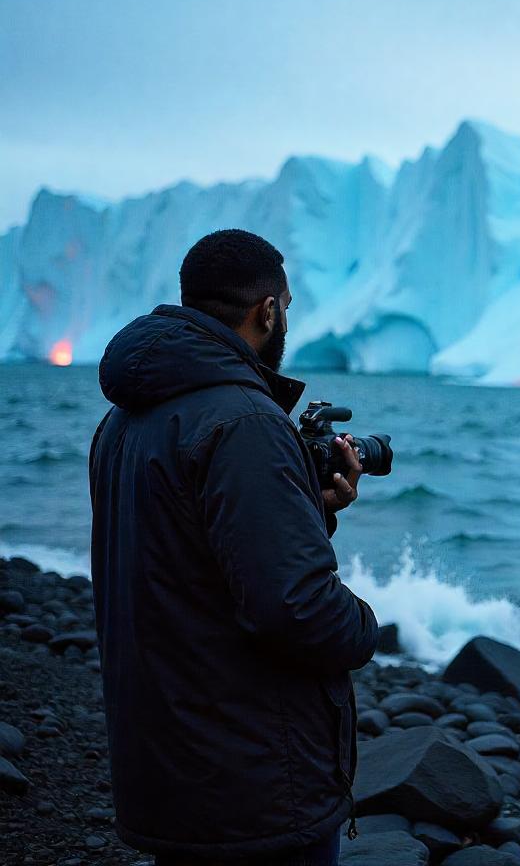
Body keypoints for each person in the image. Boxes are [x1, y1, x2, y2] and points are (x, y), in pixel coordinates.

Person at [89, 229, 379, 865]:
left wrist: (309, 511)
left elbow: (185, 561)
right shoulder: (245, 421)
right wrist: (366, 625)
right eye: (288, 307)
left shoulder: (125, 417)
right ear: (267, 311)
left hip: (168, 764)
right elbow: (296, 609)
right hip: (252, 782)